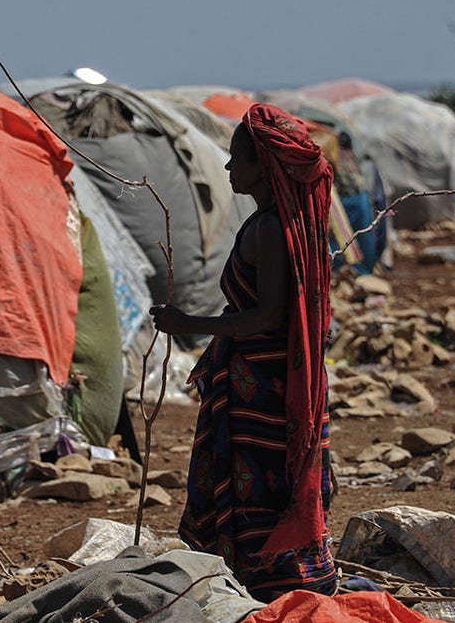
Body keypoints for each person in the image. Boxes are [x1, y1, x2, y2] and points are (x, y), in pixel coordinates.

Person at [149, 104, 337, 600]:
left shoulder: (270, 230)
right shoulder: (285, 225)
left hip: (261, 385)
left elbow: (266, 316)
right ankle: (286, 582)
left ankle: (269, 585)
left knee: (257, 482)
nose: (230, 169)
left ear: (266, 165)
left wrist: (187, 324)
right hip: (276, 378)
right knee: (269, 479)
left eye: (238, 160)